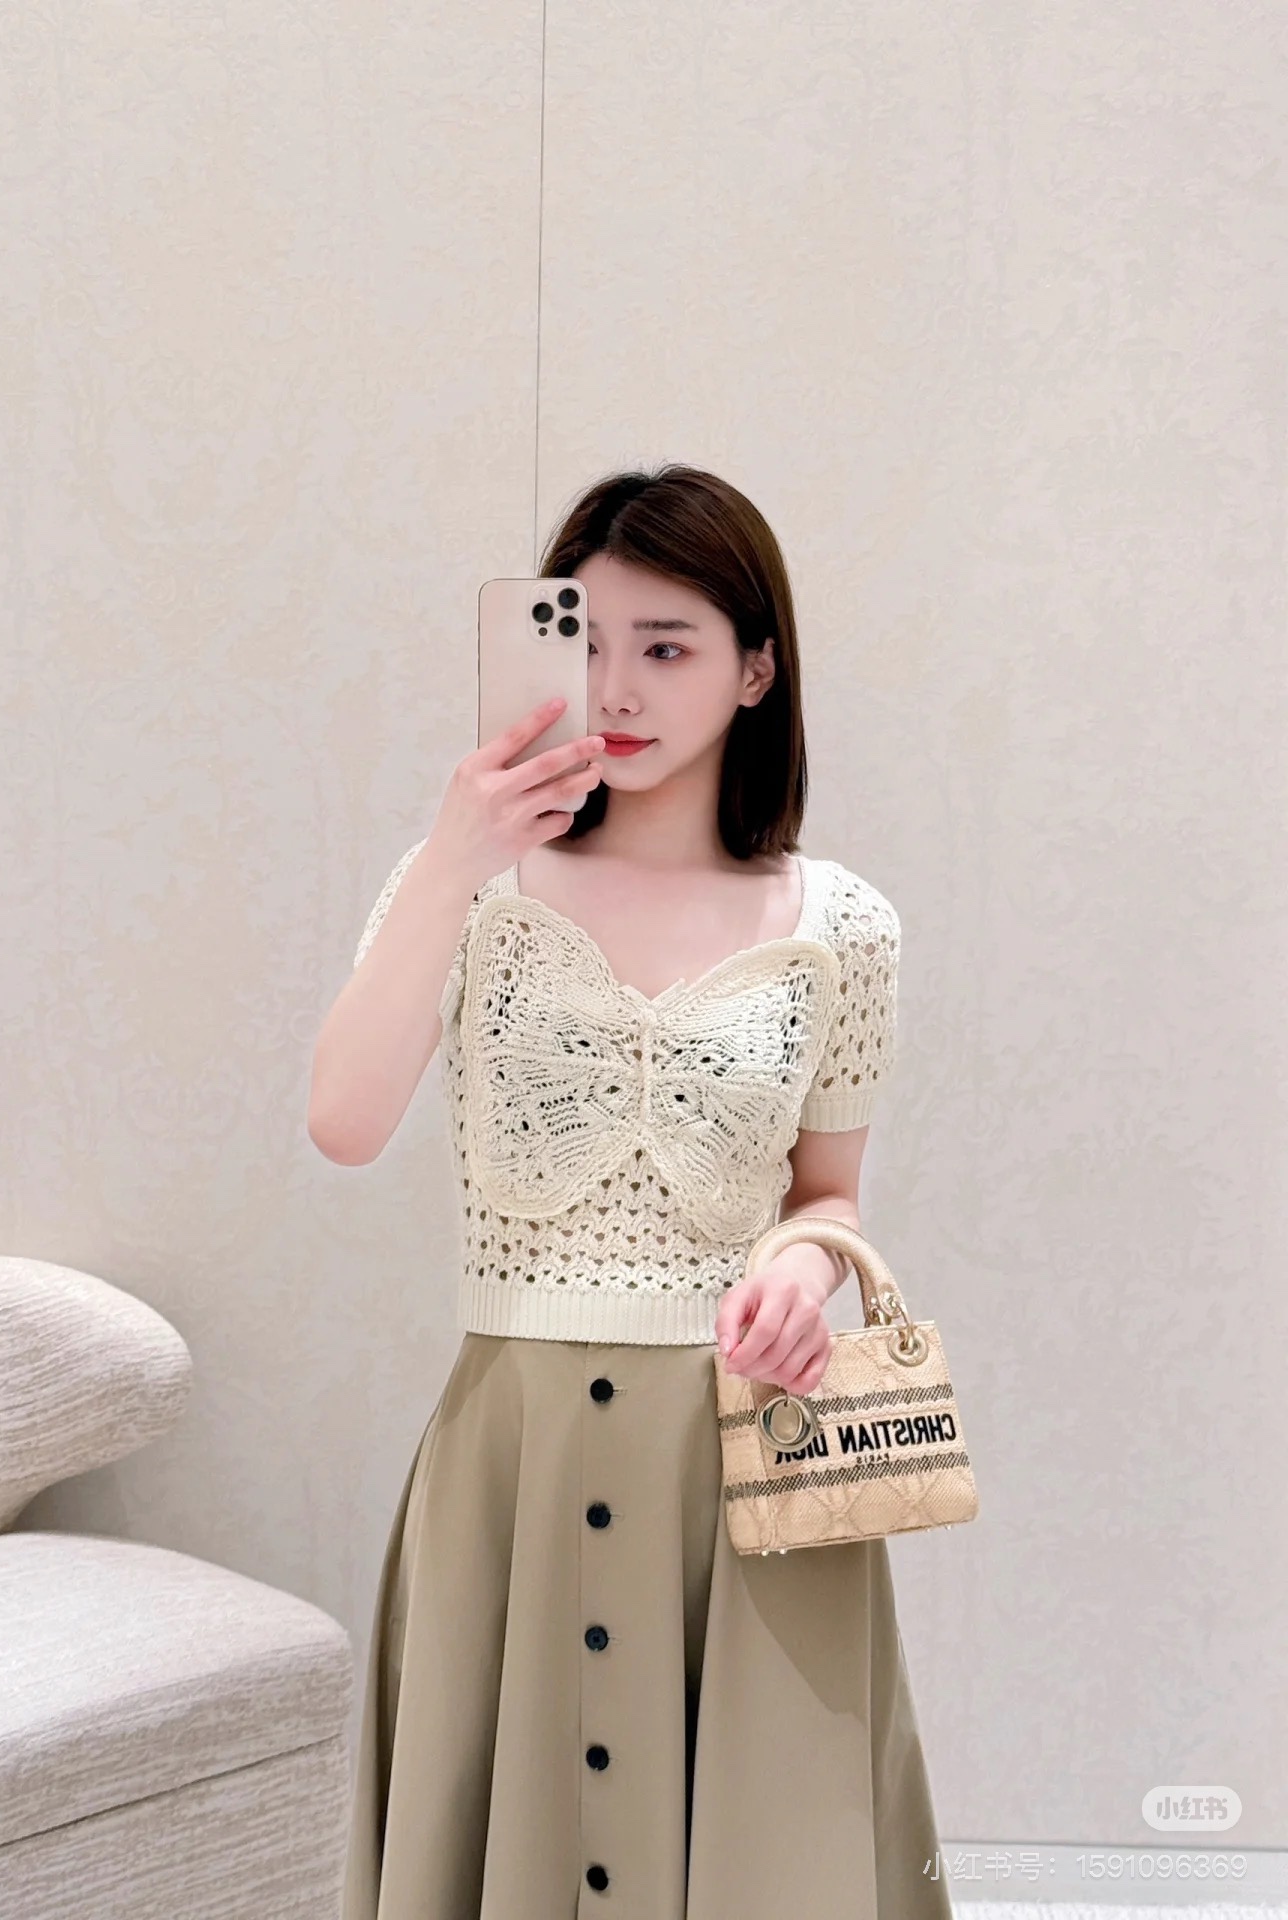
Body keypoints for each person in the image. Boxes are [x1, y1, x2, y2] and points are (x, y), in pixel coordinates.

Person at [308, 464, 953, 1919]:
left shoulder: (842, 927)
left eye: (667, 646)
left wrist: (802, 1268)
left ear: (755, 670)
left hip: (748, 1453)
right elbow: (344, 1122)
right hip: (515, 1455)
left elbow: (830, 1199)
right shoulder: (470, 892)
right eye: (585, 641)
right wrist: (458, 857)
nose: (617, 687)